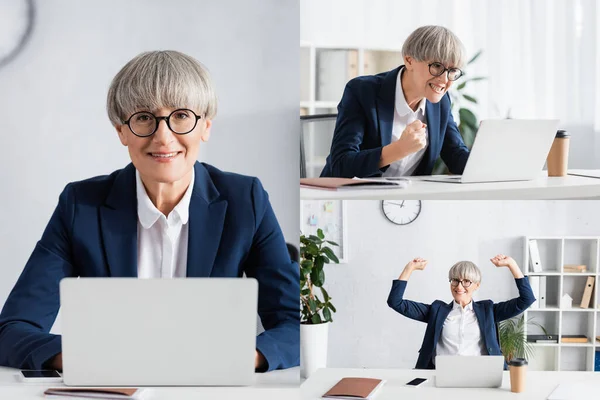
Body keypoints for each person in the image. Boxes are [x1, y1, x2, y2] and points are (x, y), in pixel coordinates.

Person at [0, 50, 299, 373]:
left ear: (206, 126)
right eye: (144, 117)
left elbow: (293, 324)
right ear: (121, 131)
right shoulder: (81, 205)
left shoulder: (245, 200)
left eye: (181, 115)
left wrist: (241, 358)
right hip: (116, 388)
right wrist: (82, 356)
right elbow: (12, 329)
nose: (163, 136)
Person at [320, 25, 471, 178]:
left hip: (404, 199)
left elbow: (456, 155)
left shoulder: (441, 102)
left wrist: (490, 164)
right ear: (409, 60)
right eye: (437, 66)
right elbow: (341, 165)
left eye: (452, 71)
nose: (444, 80)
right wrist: (399, 149)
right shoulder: (362, 91)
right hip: (349, 197)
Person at [387, 254, 535, 369]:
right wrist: (409, 268)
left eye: (466, 281)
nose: (459, 286)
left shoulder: (488, 310)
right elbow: (395, 302)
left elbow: (526, 299)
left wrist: (512, 265)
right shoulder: (437, 311)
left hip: (482, 375)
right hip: (442, 376)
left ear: (477, 285)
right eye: (455, 280)